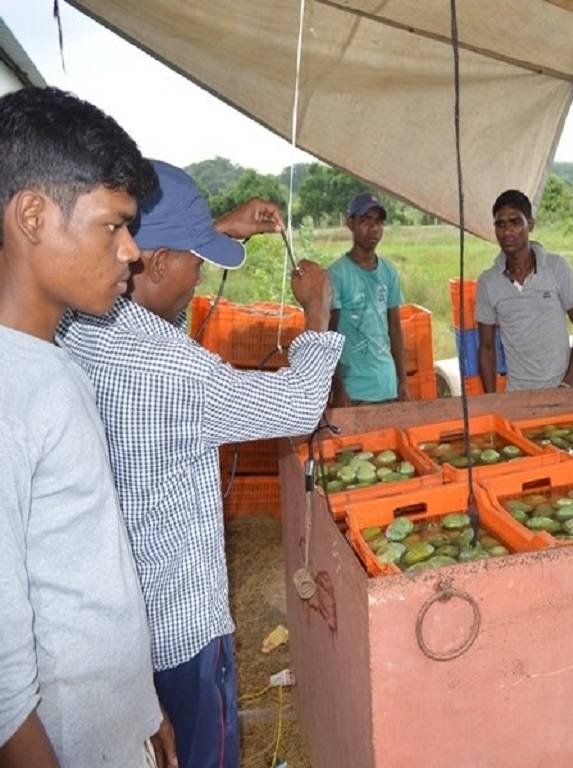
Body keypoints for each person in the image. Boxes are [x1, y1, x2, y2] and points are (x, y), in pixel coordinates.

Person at [58, 160, 343, 768]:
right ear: (155, 261)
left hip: (119, 630)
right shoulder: (172, 370)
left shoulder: (74, 323)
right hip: (182, 626)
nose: (199, 277)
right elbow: (298, 405)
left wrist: (212, 229)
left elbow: (154, 284)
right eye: (195, 260)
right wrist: (317, 310)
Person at [0, 87, 173, 768]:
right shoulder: (8, 392)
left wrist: (141, 710)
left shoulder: (49, 359)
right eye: (114, 225)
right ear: (34, 216)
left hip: (110, 731)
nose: (132, 252)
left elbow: (82, 579)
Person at [475, 189, 573, 392]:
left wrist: (567, 382)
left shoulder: (556, 267)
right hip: (518, 394)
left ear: (530, 224)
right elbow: (486, 348)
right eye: (500, 225)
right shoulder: (488, 282)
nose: (507, 232)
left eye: (515, 222)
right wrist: (491, 400)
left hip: (562, 390)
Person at [327, 192, 407, 406]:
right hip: (354, 390)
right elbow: (329, 336)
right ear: (350, 223)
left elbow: (395, 328)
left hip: (387, 383)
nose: (373, 229)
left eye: (378, 222)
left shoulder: (388, 272)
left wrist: (402, 381)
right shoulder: (337, 274)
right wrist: (338, 387)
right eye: (365, 221)